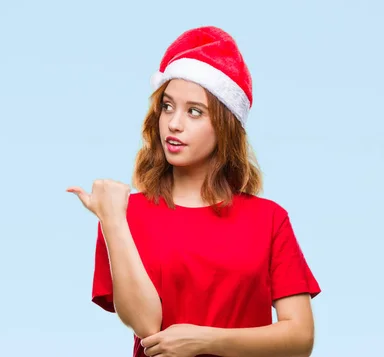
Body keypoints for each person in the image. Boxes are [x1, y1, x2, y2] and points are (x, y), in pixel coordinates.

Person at [67, 26, 321, 357]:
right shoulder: (124, 215)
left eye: (194, 111)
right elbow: (146, 325)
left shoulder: (269, 219)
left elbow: (300, 338)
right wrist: (112, 219)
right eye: (167, 107)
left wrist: (206, 340)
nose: (174, 123)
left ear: (226, 125)